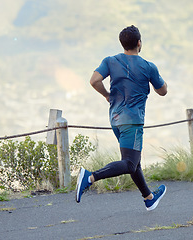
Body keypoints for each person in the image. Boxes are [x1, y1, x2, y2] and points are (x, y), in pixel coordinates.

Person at [75, 25, 168, 211]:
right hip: (132, 121)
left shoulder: (110, 61)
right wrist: (157, 79)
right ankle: (90, 177)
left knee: (133, 160)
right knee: (130, 163)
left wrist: (107, 95)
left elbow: (94, 80)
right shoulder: (148, 66)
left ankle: (149, 197)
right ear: (139, 43)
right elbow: (163, 91)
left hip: (115, 119)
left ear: (122, 44)